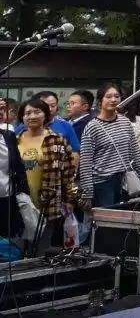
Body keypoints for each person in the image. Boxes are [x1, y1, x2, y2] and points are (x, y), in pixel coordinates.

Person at [16, 97, 78, 249]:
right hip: (20, 202)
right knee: (17, 248)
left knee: (41, 248)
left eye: (37, 112)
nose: (32, 116)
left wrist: (69, 200)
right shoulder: (15, 140)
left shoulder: (56, 140)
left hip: (47, 202)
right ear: (22, 117)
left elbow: (68, 172)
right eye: (27, 113)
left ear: (46, 115)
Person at [79, 83, 140, 209]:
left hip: (124, 181)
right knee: (108, 219)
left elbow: (135, 152)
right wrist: (87, 192)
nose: (113, 100)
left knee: (125, 217)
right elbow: (85, 163)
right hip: (102, 184)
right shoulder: (92, 127)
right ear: (100, 101)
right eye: (108, 96)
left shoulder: (125, 122)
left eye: (117, 96)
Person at [14, 91, 80, 152]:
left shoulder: (65, 126)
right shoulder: (21, 129)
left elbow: (75, 151)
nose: (50, 109)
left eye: (53, 106)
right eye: (46, 106)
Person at [0, 126, 30, 241]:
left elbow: (18, 165)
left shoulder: (8, 135)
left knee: (7, 236)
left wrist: (25, 192)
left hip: (7, 195)